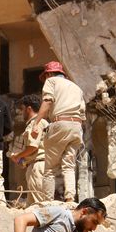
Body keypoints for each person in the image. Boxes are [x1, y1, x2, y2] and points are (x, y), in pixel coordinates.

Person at [29, 61, 85, 203]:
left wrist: (36, 123)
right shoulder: (76, 87)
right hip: (77, 126)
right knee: (69, 166)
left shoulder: (51, 81)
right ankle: (70, 198)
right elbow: (83, 114)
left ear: (49, 73)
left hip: (60, 123)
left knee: (49, 168)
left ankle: (47, 201)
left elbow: (47, 101)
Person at [9, 94, 49, 204]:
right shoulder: (43, 122)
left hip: (38, 166)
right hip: (39, 165)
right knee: (33, 206)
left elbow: (33, 147)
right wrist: (22, 160)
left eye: (22, 109)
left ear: (29, 109)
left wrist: (18, 156)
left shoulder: (35, 123)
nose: (21, 113)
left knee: (39, 204)